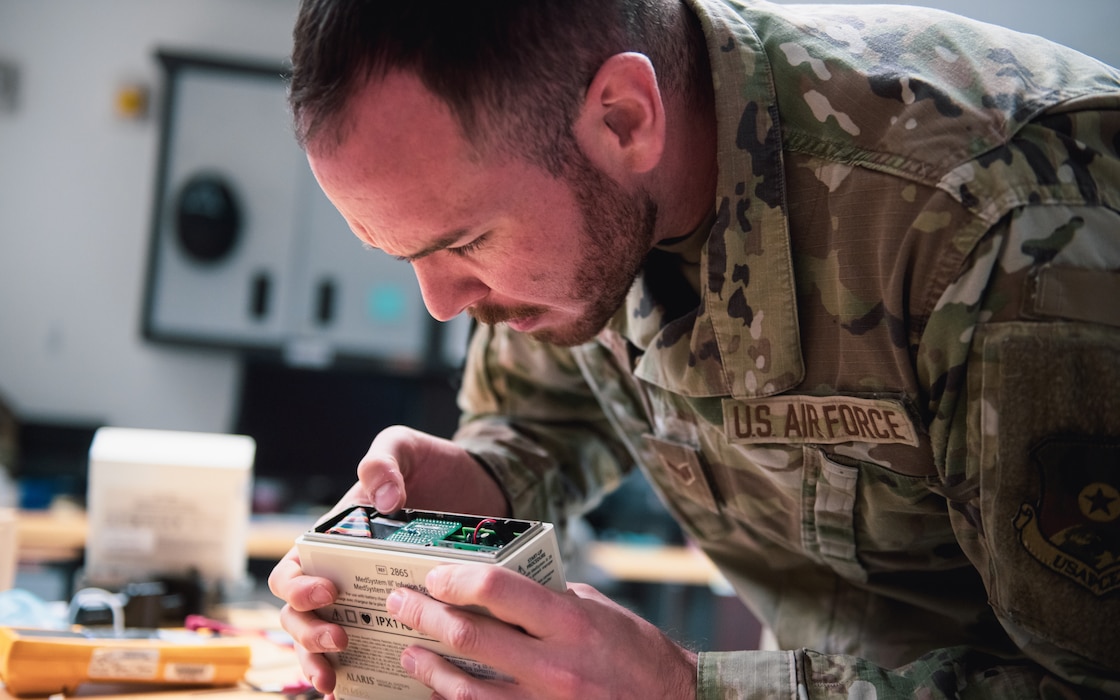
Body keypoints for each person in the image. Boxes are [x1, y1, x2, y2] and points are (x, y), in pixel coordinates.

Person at [268, 0, 1120, 697]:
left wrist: (681, 690)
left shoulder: (1003, 225)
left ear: (624, 118)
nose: (444, 305)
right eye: (404, 255)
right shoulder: (577, 211)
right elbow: (547, 413)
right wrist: (478, 484)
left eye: (465, 242)